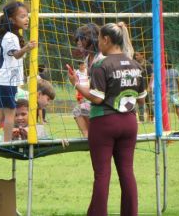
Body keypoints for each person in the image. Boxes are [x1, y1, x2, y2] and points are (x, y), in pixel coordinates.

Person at [68, 22, 146, 216]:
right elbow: (142, 99)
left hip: (104, 121)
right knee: (127, 172)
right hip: (129, 122)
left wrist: (76, 84)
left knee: (102, 175)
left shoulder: (101, 65)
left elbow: (96, 97)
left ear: (106, 40)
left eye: (100, 39)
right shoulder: (136, 65)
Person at [0, 1, 37, 142]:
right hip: (7, 81)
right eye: (22, 16)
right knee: (10, 115)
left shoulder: (6, 35)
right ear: (11, 19)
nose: (27, 19)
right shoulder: (11, 36)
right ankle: (7, 143)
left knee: (0, 114)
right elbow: (16, 54)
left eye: (27, 16)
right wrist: (26, 48)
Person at [72, 23, 103, 138]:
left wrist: (75, 83)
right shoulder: (87, 59)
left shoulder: (100, 59)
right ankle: (88, 137)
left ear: (90, 40)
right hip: (95, 99)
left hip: (105, 103)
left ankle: (94, 137)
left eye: (81, 39)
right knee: (78, 110)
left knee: (81, 109)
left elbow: (98, 95)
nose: (78, 43)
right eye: (77, 40)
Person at [134, 51, 154, 122]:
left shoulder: (147, 64)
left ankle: (152, 118)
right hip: (137, 88)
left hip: (146, 87)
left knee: (149, 104)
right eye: (135, 55)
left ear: (142, 55)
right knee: (140, 104)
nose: (136, 57)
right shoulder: (134, 64)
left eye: (137, 55)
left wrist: (149, 86)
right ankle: (141, 120)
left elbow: (152, 76)